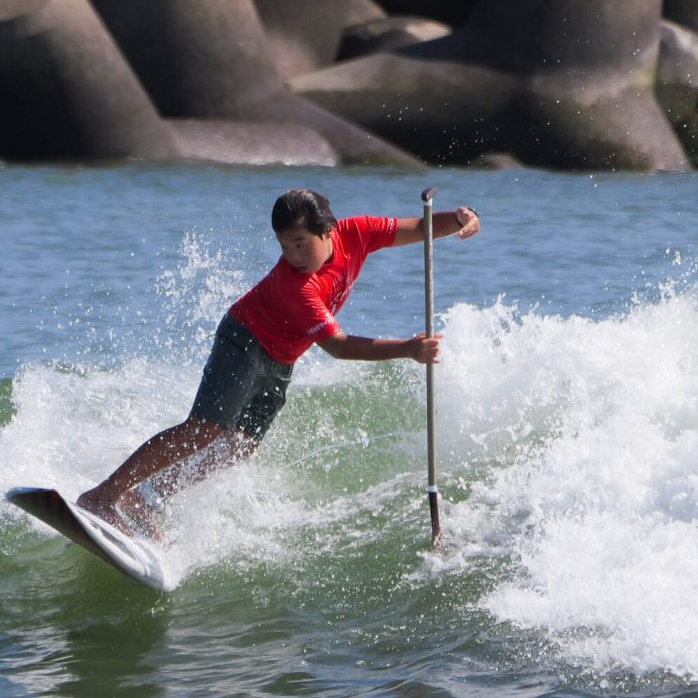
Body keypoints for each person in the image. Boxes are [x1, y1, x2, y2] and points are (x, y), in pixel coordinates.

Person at [78, 187, 481, 539]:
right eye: (285, 246)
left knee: (238, 447)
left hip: (281, 360)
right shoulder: (295, 285)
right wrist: (407, 348)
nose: (293, 255)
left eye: (301, 243)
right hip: (244, 341)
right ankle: (104, 495)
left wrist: (460, 219)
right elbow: (338, 346)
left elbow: (418, 227)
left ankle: (147, 497)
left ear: (328, 230)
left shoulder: (358, 232)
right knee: (204, 430)